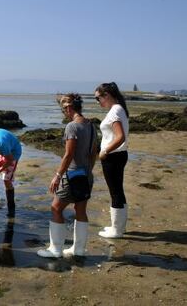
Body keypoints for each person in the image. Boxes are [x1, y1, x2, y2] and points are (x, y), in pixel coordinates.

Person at [37, 93, 97, 258]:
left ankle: (55, 250)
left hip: (72, 175)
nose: (63, 113)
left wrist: (57, 175)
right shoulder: (91, 126)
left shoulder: (72, 126)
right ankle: (78, 249)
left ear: (68, 108)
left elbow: (68, 154)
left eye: (63, 109)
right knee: (80, 209)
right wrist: (88, 171)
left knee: (56, 208)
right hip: (86, 175)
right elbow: (94, 153)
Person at [95, 82, 130, 239]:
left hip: (113, 156)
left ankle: (116, 230)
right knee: (118, 191)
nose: (98, 102)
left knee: (115, 192)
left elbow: (120, 136)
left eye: (98, 98)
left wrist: (105, 151)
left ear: (106, 95)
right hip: (119, 155)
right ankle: (119, 227)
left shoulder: (115, 111)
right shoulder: (119, 109)